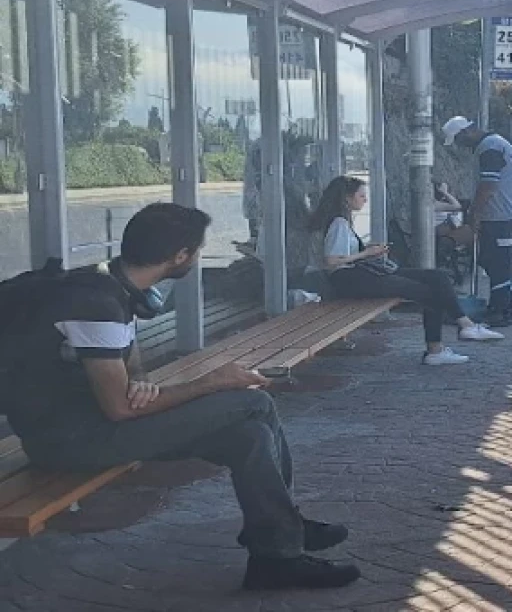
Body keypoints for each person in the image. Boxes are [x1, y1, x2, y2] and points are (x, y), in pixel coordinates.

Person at [3, 203, 361, 590]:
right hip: (71, 442)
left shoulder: (109, 285)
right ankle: (287, 528)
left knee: (249, 437)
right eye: (198, 249)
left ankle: (276, 552)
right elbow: (121, 409)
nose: (198, 256)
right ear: (179, 256)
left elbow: (130, 371)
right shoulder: (97, 305)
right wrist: (214, 381)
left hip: (86, 424)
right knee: (252, 402)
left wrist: (139, 381)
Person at [309, 176, 503, 366]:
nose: (365, 200)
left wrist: (368, 252)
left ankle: (465, 326)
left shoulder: (344, 223)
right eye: (361, 196)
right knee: (429, 293)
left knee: (437, 277)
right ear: (347, 198)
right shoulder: (339, 224)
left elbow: (345, 254)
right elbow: (332, 261)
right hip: (350, 280)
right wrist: (366, 253)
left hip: (361, 275)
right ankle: (437, 348)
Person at [441, 116, 512, 327]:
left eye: (459, 140)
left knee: (497, 263)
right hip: (502, 213)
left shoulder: (490, 148)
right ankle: (507, 307)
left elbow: (488, 186)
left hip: (498, 215)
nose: (460, 146)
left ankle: (500, 310)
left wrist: (474, 213)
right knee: (496, 261)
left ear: (466, 133)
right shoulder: (494, 144)